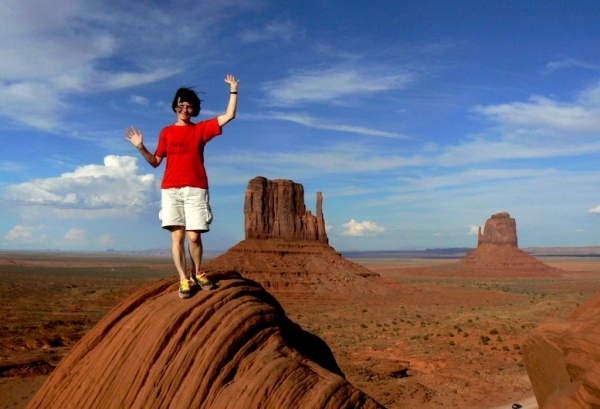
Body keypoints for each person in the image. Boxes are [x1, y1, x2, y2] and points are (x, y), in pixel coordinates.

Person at [125, 74, 239, 299]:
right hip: (171, 190)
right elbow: (156, 162)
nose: (185, 110)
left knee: (194, 236)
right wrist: (140, 147)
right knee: (177, 237)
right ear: (175, 108)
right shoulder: (166, 132)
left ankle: (198, 272)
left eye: (189, 107)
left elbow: (229, 115)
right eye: (181, 106)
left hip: (196, 188)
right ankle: (183, 279)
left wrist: (233, 90)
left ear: (194, 109)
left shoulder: (200, 130)